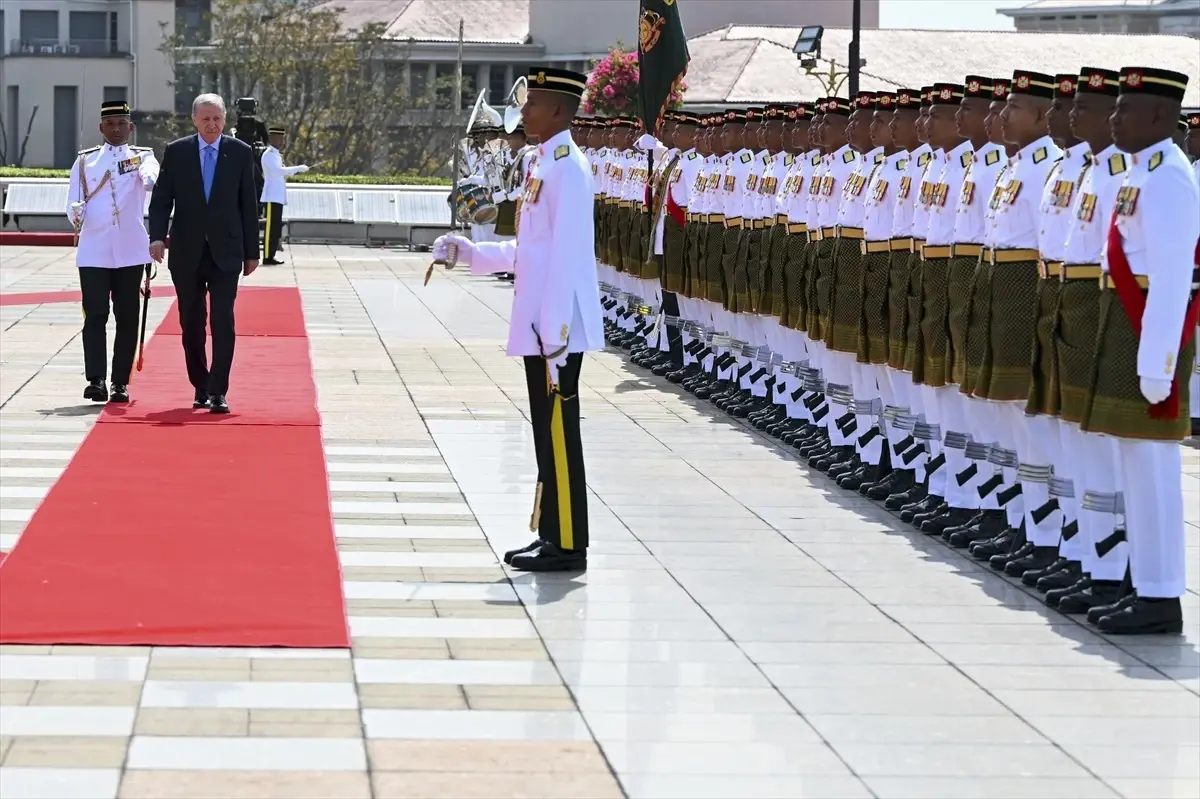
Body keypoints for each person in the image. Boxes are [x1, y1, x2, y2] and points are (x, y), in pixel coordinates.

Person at [431, 67, 603, 573]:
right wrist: (469, 253)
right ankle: (552, 531)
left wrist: (556, 337)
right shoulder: (544, 164)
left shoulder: (568, 168)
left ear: (558, 110)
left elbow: (567, 257)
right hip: (540, 326)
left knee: (559, 432)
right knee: (546, 433)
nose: (523, 112)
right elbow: (532, 251)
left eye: (533, 104)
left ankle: (569, 543)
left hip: (556, 329)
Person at [1082, 66, 1198, 634]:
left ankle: (1160, 596)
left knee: (1152, 467)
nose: (1114, 119)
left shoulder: (1170, 178)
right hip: (1124, 321)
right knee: (1132, 460)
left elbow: (1176, 279)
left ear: (1158, 116)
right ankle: (1139, 581)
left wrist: (1159, 364)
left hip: (1149, 328)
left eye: (1125, 110)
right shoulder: (1138, 174)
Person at [148, 92, 260, 415]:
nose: (212, 125)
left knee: (223, 320)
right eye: (206, 118)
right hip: (187, 251)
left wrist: (252, 252)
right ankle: (200, 384)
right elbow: (162, 199)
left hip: (226, 252)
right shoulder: (177, 152)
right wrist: (157, 237)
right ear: (194, 119)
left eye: (217, 119)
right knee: (192, 321)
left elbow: (248, 205)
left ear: (225, 120)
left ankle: (218, 390)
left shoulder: (239, 153)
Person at [66, 100, 159, 404]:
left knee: (128, 316)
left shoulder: (142, 157)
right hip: (94, 251)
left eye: (122, 123)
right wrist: (76, 213)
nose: (116, 129)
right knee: (95, 316)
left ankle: (120, 382)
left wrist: (149, 178)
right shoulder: (85, 163)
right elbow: (72, 205)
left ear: (131, 127)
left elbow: (151, 174)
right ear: (101, 128)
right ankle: (96, 379)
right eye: (111, 124)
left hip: (130, 250)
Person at [260, 126, 309, 266]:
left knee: (275, 228)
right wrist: (297, 168)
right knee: (270, 228)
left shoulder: (276, 154)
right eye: (278, 138)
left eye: (282, 138)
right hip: (271, 196)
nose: (281, 141)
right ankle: (267, 257)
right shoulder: (269, 154)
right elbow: (278, 171)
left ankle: (271, 255)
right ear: (271, 139)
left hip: (277, 196)